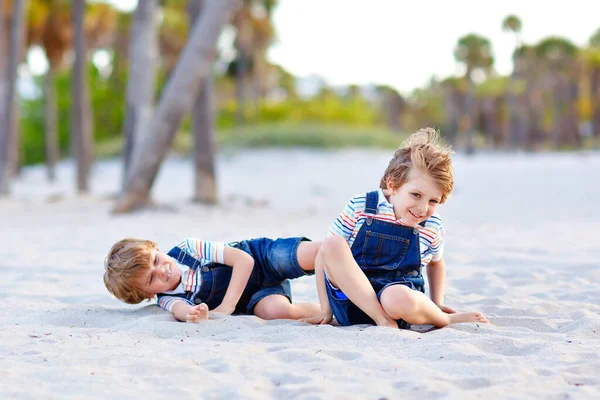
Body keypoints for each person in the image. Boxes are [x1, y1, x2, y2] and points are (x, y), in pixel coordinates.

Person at [303, 128, 488, 329]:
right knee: (332, 243)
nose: (422, 208)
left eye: (433, 200)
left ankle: (444, 319)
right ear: (392, 185)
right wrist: (325, 310)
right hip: (350, 301)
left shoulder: (432, 225)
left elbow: (436, 263)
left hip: (398, 302)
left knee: (396, 298)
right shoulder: (362, 206)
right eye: (416, 195)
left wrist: (437, 304)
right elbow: (325, 255)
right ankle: (381, 319)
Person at [104, 236, 321, 323]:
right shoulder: (167, 298)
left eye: (156, 260)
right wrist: (195, 314)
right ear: (149, 294)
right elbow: (181, 310)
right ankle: (333, 311)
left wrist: (227, 305)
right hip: (256, 296)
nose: (161, 270)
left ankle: (348, 251)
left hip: (261, 258)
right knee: (275, 312)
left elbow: (244, 261)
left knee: (301, 255)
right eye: (152, 279)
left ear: (156, 248)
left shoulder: (188, 249)